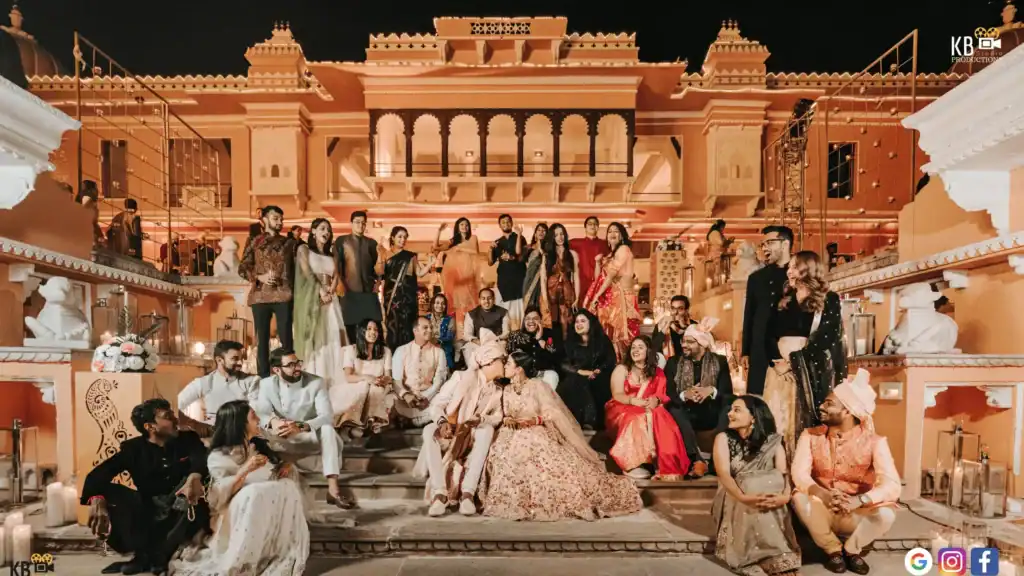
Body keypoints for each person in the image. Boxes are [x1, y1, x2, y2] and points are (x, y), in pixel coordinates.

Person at [480, 349, 643, 521]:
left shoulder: (537, 385)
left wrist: (532, 421)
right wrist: (508, 419)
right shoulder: (506, 390)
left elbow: (552, 413)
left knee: (538, 452)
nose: (505, 366)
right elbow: (503, 413)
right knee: (501, 454)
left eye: (508, 364)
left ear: (519, 368)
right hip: (511, 433)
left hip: (536, 430)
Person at [169, 401, 309, 576]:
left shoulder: (258, 446)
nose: (258, 419)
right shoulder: (218, 455)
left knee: (286, 486)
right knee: (255, 492)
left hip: (264, 504)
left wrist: (286, 465)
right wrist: (245, 470)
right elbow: (218, 497)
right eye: (253, 416)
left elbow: (275, 469)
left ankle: (272, 550)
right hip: (235, 509)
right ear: (239, 423)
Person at [82, 399, 210, 575]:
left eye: (172, 414)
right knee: (110, 493)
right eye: (167, 416)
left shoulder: (188, 439)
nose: (175, 419)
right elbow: (97, 475)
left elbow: (201, 458)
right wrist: (97, 501)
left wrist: (195, 476)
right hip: (148, 510)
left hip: (183, 506)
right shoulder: (134, 449)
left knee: (190, 498)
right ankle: (146, 555)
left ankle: (156, 557)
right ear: (150, 427)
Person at [791, 370, 900, 575]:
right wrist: (822, 493)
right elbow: (799, 474)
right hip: (822, 509)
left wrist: (860, 500)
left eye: (829, 403)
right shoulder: (810, 436)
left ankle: (852, 550)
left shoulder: (875, 442)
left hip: (856, 512)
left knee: (886, 513)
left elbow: (892, 485)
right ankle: (832, 549)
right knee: (799, 497)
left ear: (848, 411)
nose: (821, 407)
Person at [414, 328, 504, 517]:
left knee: (487, 430)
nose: (503, 363)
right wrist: (442, 422)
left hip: (472, 434)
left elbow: (498, 416)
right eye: (500, 360)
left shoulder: (497, 390)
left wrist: (482, 419)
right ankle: (440, 493)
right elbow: (436, 405)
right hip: (452, 430)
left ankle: (468, 493)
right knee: (429, 430)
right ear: (489, 361)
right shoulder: (461, 378)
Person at [764, 250, 846, 455]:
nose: (788, 271)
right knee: (778, 420)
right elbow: (767, 334)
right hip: (779, 370)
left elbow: (826, 338)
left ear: (807, 269)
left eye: (794, 267)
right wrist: (776, 362)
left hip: (809, 368)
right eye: (789, 267)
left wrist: (794, 362)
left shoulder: (829, 299)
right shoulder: (782, 299)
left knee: (802, 419)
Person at [713, 395, 801, 576]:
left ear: (754, 416)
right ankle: (759, 556)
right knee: (750, 482)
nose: (730, 414)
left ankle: (775, 554)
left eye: (737, 410)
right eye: (731, 409)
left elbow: (783, 474)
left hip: (770, 496)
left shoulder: (773, 441)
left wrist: (785, 496)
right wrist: (744, 496)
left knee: (771, 480)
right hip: (734, 495)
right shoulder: (723, 439)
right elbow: (724, 475)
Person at [254, 347, 353, 509]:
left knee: (327, 429)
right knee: (256, 430)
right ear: (277, 370)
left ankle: (333, 490)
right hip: (281, 435)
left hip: (308, 434)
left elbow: (326, 415)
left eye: (298, 363)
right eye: (291, 365)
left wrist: (301, 426)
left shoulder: (316, 382)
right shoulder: (266, 385)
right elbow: (262, 413)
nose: (298, 367)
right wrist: (274, 422)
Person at [605, 336, 690, 480]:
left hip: (646, 407)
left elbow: (662, 394)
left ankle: (661, 463)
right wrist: (633, 400)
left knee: (660, 415)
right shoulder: (622, 369)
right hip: (621, 407)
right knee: (636, 417)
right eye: (633, 347)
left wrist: (655, 400)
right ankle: (633, 464)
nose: (636, 350)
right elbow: (617, 394)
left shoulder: (656, 373)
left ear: (648, 351)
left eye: (640, 347)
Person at [664, 318, 732, 478]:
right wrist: (684, 395)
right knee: (672, 407)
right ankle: (697, 459)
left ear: (702, 344)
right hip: (685, 412)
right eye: (683, 341)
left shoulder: (720, 361)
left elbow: (728, 393)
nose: (683, 345)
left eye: (690, 342)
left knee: (730, 405)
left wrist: (711, 391)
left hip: (710, 412)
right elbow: (668, 393)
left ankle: (717, 462)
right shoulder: (673, 362)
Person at [238, 205, 297, 378]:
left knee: (287, 338)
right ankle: (263, 378)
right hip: (260, 295)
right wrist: (259, 277)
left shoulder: (289, 243)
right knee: (261, 340)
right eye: (275, 218)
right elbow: (242, 267)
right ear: (264, 219)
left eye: (281, 219)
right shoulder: (254, 241)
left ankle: (289, 373)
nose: (279, 222)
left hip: (284, 294)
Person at [293, 217, 349, 397]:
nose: (326, 232)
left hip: (330, 300)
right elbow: (306, 273)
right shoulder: (304, 250)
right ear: (313, 231)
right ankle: (314, 382)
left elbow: (336, 277)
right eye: (322, 228)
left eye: (329, 230)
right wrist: (320, 292)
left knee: (333, 337)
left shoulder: (332, 255)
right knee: (316, 339)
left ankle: (334, 383)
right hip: (313, 299)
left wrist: (331, 292)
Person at [741, 225, 792, 396]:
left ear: (785, 244)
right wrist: (745, 351)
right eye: (763, 244)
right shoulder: (756, 278)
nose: (764, 248)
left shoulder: (798, 274)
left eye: (770, 243)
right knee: (758, 397)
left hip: (787, 348)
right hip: (759, 347)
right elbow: (749, 315)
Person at [582, 222, 640, 363]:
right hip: (613, 299)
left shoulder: (624, 249)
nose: (612, 234)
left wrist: (596, 296)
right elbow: (599, 279)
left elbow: (610, 276)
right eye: (609, 232)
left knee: (624, 337)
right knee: (610, 336)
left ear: (622, 236)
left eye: (616, 231)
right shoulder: (610, 255)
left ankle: (626, 366)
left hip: (624, 299)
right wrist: (597, 263)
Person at [177, 339, 260, 436]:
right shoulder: (204, 382)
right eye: (235, 359)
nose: (240, 363)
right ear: (219, 360)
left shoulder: (251, 381)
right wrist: (194, 424)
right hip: (213, 435)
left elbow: (257, 412)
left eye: (241, 359)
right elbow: (176, 404)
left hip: (242, 434)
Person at [331, 319, 395, 435]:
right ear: (361, 331)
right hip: (356, 384)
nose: (373, 332)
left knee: (376, 390)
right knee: (364, 387)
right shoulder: (351, 350)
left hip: (377, 385)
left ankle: (370, 423)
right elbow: (348, 377)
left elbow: (389, 377)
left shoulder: (386, 351)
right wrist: (367, 378)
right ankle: (352, 422)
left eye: (376, 330)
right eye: (369, 329)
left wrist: (382, 380)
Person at [558, 309, 616, 429]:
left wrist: (598, 371)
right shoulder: (570, 343)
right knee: (574, 381)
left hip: (599, 377)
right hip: (576, 377)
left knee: (597, 383)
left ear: (591, 323)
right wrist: (581, 372)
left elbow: (610, 360)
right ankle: (581, 420)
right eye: (577, 322)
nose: (579, 324)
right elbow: (563, 363)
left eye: (583, 321)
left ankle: (591, 421)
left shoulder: (602, 341)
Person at [335, 210, 384, 343]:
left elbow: (379, 271)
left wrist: (378, 284)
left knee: (373, 330)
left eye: (363, 223)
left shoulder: (372, 243)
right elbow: (336, 265)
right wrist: (339, 283)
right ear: (351, 223)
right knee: (349, 332)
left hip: (368, 293)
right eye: (357, 222)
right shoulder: (341, 241)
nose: (360, 225)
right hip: (349, 293)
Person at [382, 225, 433, 350]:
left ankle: (409, 359)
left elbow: (419, 273)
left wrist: (430, 263)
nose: (402, 239)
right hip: (392, 299)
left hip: (408, 299)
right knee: (393, 330)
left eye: (405, 237)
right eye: (400, 236)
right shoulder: (385, 255)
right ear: (393, 238)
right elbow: (382, 278)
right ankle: (393, 360)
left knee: (409, 328)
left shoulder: (410, 256)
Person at [392, 317, 449, 427]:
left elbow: (439, 380)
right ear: (415, 331)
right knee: (389, 398)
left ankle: (411, 421)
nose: (430, 330)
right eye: (425, 327)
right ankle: (418, 420)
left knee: (445, 400)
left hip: (429, 399)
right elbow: (396, 380)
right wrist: (406, 395)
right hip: (406, 398)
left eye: (431, 327)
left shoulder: (439, 352)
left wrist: (426, 397)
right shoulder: (401, 350)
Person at [434, 218, 481, 339]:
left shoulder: (473, 238)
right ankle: (457, 338)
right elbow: (436, 247)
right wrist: (439, 231)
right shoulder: (453, 241)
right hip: (456, 279)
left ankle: (470, 336)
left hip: (469, 279)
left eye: (466, 224)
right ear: (457, 227)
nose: (464, 226)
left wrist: (458, 248)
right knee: (456, 308)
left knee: (470, 307)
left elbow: (474, 250)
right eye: (462, 224)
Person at [542, 223, 580, 343]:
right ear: (552, 237)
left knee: (566, 322)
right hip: (550, 291)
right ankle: (552, 352)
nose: (560, 237)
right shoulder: (547, 255)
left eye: (562, 234)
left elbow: (576, 277)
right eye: (556, 235)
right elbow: (543, 279)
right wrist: (544, 298)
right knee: (551, 323)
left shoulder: (572, 254)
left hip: (567, 291)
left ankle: (567, 353)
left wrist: (577, 297)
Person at [489, 214, 526, 329]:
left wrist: (519, 235)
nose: (506, 224)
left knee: (519, 308)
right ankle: (506, 333)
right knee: (505, 309)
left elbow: (520, 254)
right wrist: (490, 249)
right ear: (499, 225)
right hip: (504, 280)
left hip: (519, 278)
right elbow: (490, 262)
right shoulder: (498, 242)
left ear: (512, 223)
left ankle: (519, 333)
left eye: (508, 221)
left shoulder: (519, 237)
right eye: (503, 222)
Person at [511, 307, 560, 390]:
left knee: (552, 376)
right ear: (524, 321)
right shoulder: (518, 336)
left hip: (544, 374)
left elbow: (556, 355)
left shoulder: (550, 334)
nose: (531, 321)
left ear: (541, 320)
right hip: (525, 376)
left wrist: (540, 340)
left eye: (535, 319)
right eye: (528, 319)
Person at [461, 287, 510, 362]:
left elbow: (506, 332)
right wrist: (477, 341)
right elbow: (466, 334)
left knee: (502, 348)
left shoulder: (503, 312)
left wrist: (495, 339)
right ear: (479, 300)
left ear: (494, 299)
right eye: (483, 298)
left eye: (489, 298)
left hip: (497, 341)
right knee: (468, 348)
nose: (486, 301)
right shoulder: (471, 314)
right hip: (478, 343)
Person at [570, 216, 608, 298]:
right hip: (582, 284)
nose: (592, 226)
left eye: (595, 224)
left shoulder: (604, 244)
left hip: (600, 284)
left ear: (598, 227)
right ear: (585, 227)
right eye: (590, 224)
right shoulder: (576, 243)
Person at [652, 295, 698, 359]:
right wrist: (666, 327)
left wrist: (684, 327)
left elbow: (698, 349)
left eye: (680, 309)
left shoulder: (694, 325)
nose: (675, 312)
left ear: (686, 310)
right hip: (668, 364)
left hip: (689, 362)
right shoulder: (661, 325)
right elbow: (654, 347)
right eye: (673, 308)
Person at [521, 222, 548, 313]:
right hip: (529, 279)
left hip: (543, 280)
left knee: (541, 305)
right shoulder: (528, 248)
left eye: (544, 231)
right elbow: (524, 263)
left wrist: (542, 252)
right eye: (539, 230)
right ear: (535, 233)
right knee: (528, 304)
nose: (541, 232)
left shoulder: (549, 249)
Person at [427, 293, 457, 371]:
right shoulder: (426, 318)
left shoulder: (451, 319)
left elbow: (450, 336)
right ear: (433, 304)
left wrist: (438, 341)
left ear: (446, 306)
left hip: (444, 348)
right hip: (428, 347)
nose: (440, 306)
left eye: (443, 304)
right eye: (437, 303)